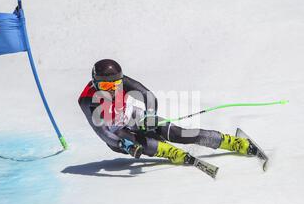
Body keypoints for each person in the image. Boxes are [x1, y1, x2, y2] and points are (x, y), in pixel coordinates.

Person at [78, 59, 258, 165]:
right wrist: (122, 145)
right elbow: (103, 133)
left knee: (179, 133)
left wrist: (149, 115)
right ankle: (171, 152)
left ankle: (232, 143)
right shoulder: (87, 100)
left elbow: (148, 96)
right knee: (141, 144)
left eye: (115, 85)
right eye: (105, 86)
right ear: (95, 83)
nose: (111, 89)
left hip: (131, 115)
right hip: (114, 132)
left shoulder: (123, 81)